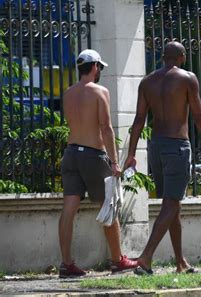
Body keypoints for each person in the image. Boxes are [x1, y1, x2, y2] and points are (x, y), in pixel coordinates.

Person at [124, 41, 201, 275]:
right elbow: (199, 116)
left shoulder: (147, 81)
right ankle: (145, 257)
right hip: (177, 146)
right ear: (181, 56)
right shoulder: (187, 78)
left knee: (172, 205)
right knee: (171, 204)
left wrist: (131, 154)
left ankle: (181, 262)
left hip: (156, 148)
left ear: (163, 57)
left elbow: (139, 120)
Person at [59, 49, 138, 277]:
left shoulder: (68, 93)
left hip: (71, 152)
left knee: (69, 209)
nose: (100, 71)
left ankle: (66, 264)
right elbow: (105, 127)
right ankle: (117, 260)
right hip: (93, 156)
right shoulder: (100, 91)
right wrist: (114, 162)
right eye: (100, 67)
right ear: (94, 67)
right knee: (109, 205)